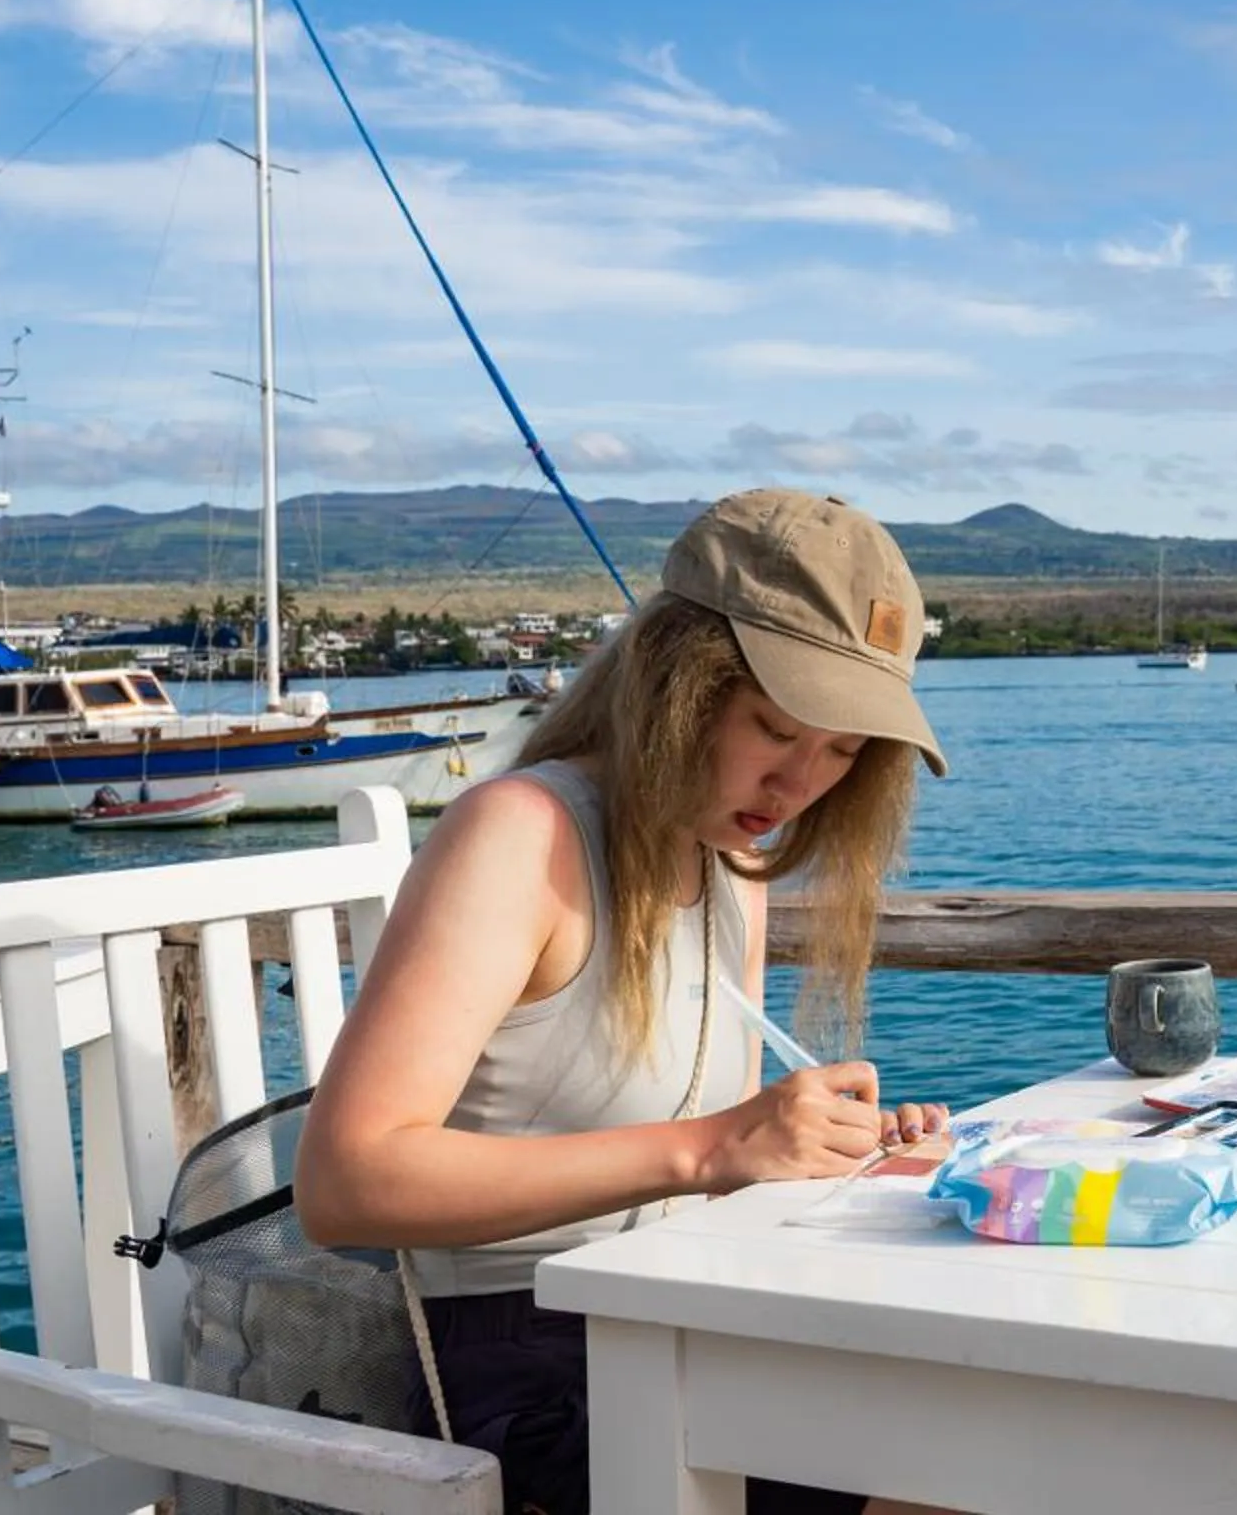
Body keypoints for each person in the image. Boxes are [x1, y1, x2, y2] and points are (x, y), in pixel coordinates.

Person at [297, 489, 954, 1515]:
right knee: (963, 1471)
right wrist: (713, 1145)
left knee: (1017, 1413)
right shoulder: (520, 834)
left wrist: (841, 1158)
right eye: (775, 725)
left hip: (674, 1318)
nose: (799, 782)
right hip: (516, 1367)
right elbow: (346, 1182)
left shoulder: (734, 863)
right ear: (676, 681)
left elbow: (710, 1178)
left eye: (842, 750)